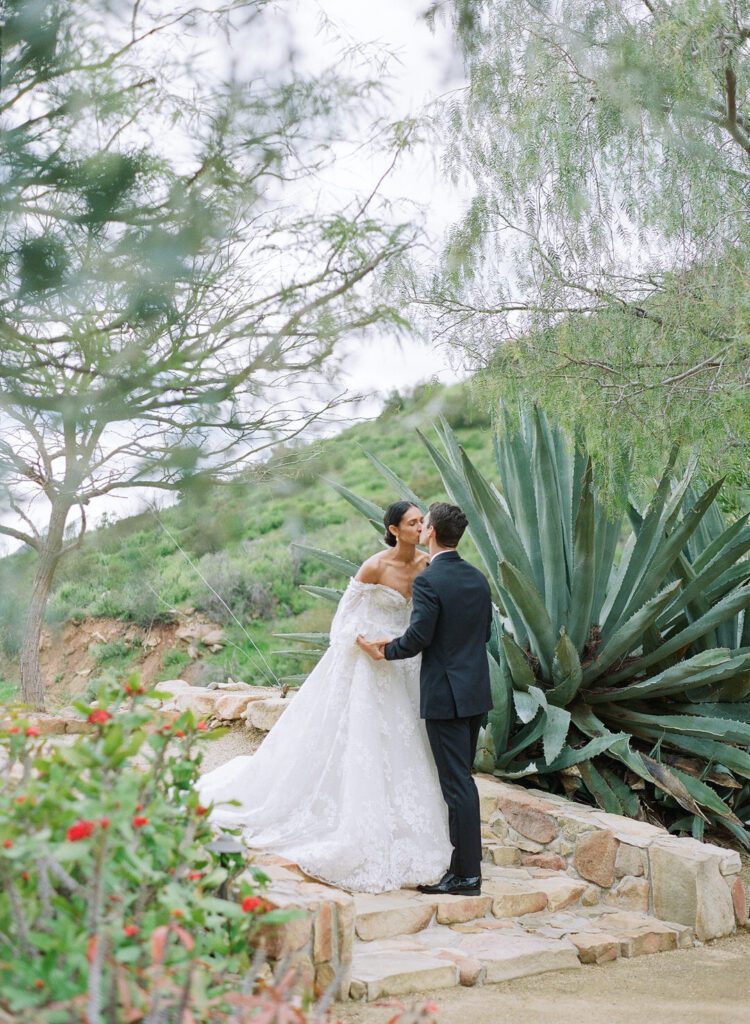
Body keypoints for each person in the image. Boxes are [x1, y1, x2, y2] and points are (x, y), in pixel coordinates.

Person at [195, 500, 452, 894]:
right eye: (413, 522)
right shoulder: (374, 566)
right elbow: (344, 619)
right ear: (394, 529)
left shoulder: (428, 566)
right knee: (365, 740)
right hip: (369, 663)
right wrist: (363, 644)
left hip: (404, 662)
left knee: (406, 743)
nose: (421, 528)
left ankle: (404, 823)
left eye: (422, 522)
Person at [357, 502, 493, 897]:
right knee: (461, 782)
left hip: (445, 697)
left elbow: (418, 638)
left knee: (457, 786)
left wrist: (387, 651)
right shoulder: (477, 577)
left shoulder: (430, 581)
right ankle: (466, 866)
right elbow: (482, 635)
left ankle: (467, 876)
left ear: (431, 532)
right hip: (475, 694)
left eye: (423, 523)